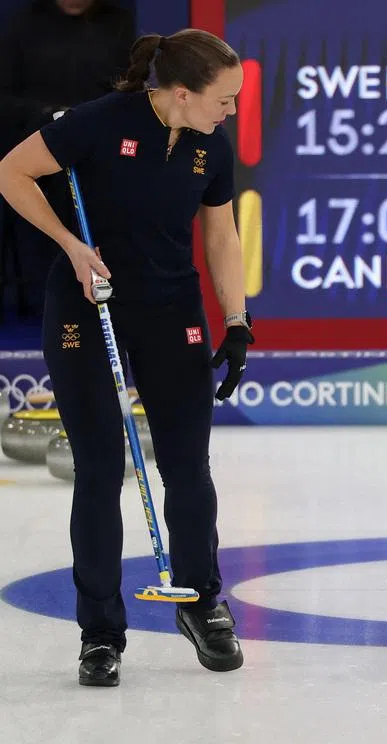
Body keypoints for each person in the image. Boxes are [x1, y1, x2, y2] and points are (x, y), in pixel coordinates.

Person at [0, 28, 252, 686]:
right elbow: (11, 172)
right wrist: (70, 247)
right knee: (101, 468)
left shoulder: (210, 146)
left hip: (172, 312)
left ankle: (201, 603)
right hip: (90, 308)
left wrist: (237, 319)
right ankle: (100, 632)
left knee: (187, 467)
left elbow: (221, 235)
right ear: (179, 93)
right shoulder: (97, 125)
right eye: (223, 99)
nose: (230, 111)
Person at [0, 0, 134, 319]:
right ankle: (47, 304)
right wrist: (47, 118)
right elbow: (5, 96)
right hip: (38, 144)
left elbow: (132, 90)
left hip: (101, 150)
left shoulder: (119, 24)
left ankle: (105, 300)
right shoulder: (24, 25)